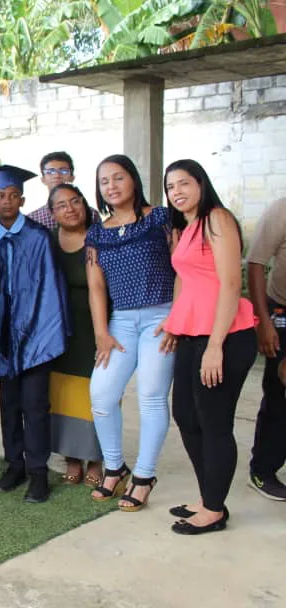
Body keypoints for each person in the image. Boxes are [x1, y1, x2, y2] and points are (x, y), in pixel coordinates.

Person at [161, 159, 257, 534]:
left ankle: (214, 510)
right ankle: (208, 496)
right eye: (171, 187)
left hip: (225, 336)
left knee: (214, 422)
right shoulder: (186, 228)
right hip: (191, 334)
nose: (177, 192)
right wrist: (175, 322)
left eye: (184, 183)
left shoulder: (218, 219)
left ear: (201, 184)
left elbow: (232, 284)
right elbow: (186, 280)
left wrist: (216, 344)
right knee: (185, 415)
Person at [85, 154, 176, 511]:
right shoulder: (97, 232)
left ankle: (144, 475)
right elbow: (96, 288)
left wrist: (177, 317)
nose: (112, 186)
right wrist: (101, 333)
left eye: (118, 178)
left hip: (161, 316)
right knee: (102, 396)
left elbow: (182, 267)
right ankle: (114, 466)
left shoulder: (161, 219)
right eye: (105, 181)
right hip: (120, 321)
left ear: (133, 180)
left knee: (152, 396)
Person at [0, 165, 71, 503]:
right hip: (5, 340)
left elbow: (50, 290)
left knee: (35, 406)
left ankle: (38, 473)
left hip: (36, 337)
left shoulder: (38, 239)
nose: (6, 201)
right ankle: (13, 465)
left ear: (22, 198)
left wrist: (41, 333)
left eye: (12, 196)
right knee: (8, 405)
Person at [46, 184, 104, 488]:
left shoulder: (102, 237)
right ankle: (71, 457)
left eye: (75, 202)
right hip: (60, 331)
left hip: (97, 329)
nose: (70, 209)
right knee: (63, 394)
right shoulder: (48, 241)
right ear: (52, 213)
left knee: (97, 394)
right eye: (61, 205)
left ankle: (95, 458)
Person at [245, 195, 286, 501]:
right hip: (281, 311)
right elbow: (256, 263)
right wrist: (263, 322)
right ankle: (263, 469)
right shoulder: (281, 209)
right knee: (280, 389)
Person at [27, 152, 102, 230]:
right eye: (50, 172)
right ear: (43, 180)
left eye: (63, 171)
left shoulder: (91, 214)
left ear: (72, 177)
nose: (57, 176)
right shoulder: (33, 220)